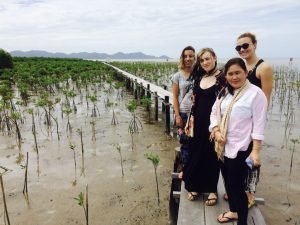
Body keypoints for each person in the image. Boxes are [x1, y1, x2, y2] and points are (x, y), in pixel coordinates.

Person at [210, 58, 268, 224]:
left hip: (242, 149)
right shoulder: (224, 92)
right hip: (222, 147)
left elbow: (259, 125)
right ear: (226, 75)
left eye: (238, 73)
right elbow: (214, 113)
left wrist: (256, 151)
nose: (234, 77)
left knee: (237, 188)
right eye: (230, 74)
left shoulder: (256, 94)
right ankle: (234, 211)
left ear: (246, 73)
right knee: (228, 183)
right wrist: (215, 130)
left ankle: (242, 221)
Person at [223, 32, 273, 206]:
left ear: (255, 45)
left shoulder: (263, 68)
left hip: (254, 122)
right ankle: (238, 189)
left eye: (245, 45)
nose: (242, 49)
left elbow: (265, 99)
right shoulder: (241, 66)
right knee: (239, 159)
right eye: (238, 47)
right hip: (240, 122)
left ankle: (249, 193)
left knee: (251, 159)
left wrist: (257, 130)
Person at [183, 48, 225, 205]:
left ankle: (212, 190)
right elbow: (194, 101)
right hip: (197, 123)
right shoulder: (200, 76)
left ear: (214, 57)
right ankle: (195, 187)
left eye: (208, 58)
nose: (205, 62)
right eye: (202, 60)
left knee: (212, 156)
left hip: (214, 124)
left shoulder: (222, 78)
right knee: (196, 153)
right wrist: (188, 122)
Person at [172, 46, 196, 179]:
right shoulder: (177, 76)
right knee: (185, 143)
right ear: (182, 58)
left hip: (197, 114)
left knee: (197, 142)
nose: (188, 58)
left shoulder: (199, 73)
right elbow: (175, 97)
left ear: (194, 57)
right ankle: (186, 170)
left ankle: (196, 168)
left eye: (191, 56)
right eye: (185, 56)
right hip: (183, 113)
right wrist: (177, 115)